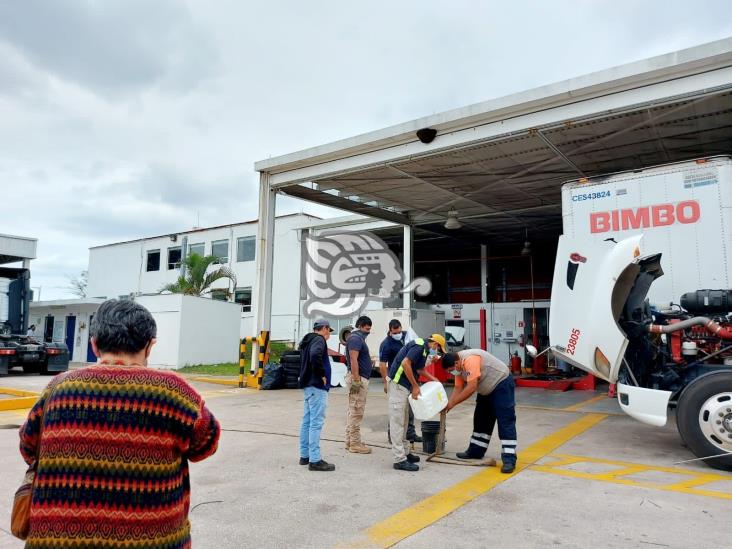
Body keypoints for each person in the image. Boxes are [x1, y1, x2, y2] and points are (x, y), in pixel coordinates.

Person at [18, 299, 220, 548]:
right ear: (149, 346)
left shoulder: (57, 389)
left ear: (94, 345)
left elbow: (28, 448)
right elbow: (206, 445)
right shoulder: (174, 392)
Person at [441, 349, 518, 473]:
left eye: (451, 370)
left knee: (505, 421)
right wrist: (449, 405)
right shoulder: (459, 368)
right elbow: (458, 387)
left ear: (456, 363)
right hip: (486, 389)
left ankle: (509, 459)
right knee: (481, 420)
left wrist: (452, 403)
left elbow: (471, 388)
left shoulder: (470, 360)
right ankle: (476, 451)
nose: (451, 373)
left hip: (501, 383)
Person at [387, 336, 444, 471]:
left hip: (405, 386)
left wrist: (433, 379)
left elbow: (419, 370)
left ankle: (405, 452)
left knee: (405, 421)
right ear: (435, 344)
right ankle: (399, 459)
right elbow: (405, 363)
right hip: (398, 385)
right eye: (438, 349)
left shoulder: (424, 350)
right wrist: (415, 386)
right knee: (398, 422)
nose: (437, 352)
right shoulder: (419, 346)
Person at [298, 318, 335, 472]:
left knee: (307, 421)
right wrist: (322, 374)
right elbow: (315, 355)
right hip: (317, 386)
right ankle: (315, 459)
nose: (329, 335)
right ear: (324, 328)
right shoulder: (319, 340)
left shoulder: (307, 341)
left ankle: (304, 455)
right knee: (316, 422)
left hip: (308, 386)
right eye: (329, 331)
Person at [378, 319, 421, 444]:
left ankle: (410, 433)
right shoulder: (386, 344)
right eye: (395, 332)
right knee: (396, 410)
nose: (398, 334)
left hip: (409, 378)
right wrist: (386, 382)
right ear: (390, 331)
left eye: (399, 331)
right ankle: (393, 435)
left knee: (410, 408)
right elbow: (382, 365)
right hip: (396, 380)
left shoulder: (407, 336)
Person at [344, 315, 373, 454]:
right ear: (360, 326)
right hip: (358, 379)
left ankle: (350, 441)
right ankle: (355, 443)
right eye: (367, 329)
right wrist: (356, 381)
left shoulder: (356, 338)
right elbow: (353, 359)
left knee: (353, 409)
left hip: (358, 378)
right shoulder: (356, 338)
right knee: (356, 410)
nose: (368, 331)